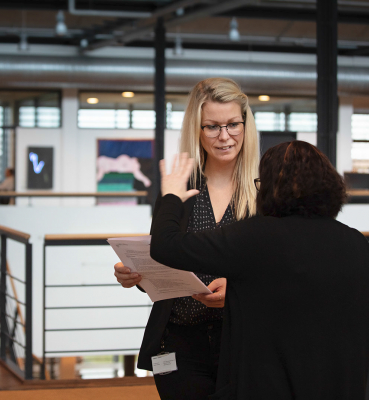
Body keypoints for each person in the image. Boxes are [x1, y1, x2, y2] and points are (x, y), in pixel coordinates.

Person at [150, 142, 369, 399]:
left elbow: (165, 246)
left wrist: (171, 196)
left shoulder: (255, 236)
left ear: (270, 188)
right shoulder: (356, 243)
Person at [114, 78, 259, 399]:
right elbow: (160, 257)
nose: (224, 136)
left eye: (233, 124)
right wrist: (136, 275)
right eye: (212, 127)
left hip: (243, 341)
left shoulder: (263, 190)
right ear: (197, 129)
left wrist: (237, 291)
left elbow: (278, 269)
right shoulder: (178, 186)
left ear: (246, 125)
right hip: (177, 341)